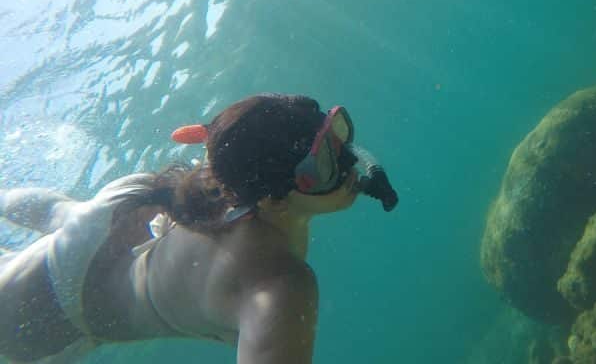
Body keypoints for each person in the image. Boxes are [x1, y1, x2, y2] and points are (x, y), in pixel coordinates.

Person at [0, 93, 397, 363]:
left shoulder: (237, 181)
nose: (348, 163)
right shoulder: (281, 285)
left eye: (338, 138)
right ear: (272, 198)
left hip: (114, 215)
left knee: (62, 214)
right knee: (61, 218)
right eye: (326, 163)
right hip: (52, 306)